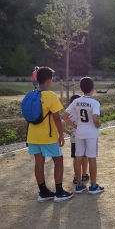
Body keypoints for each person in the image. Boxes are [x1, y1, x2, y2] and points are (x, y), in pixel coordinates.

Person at [26, 67, 73, 202]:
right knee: (58, 161)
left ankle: (43, 192)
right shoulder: (50, 95)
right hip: (48, 136)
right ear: (48, 81)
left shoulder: (30, 95)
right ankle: (59, 192)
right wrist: (61, 134)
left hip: (32, 135)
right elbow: (57, 118)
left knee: (39, 162)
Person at [62, 77, 104, 194]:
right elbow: (95, 118)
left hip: (79, 132)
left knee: (78, 156)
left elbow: (64, 116)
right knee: (91, 157)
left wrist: (75, 126)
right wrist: (98, 124)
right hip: (91, 133)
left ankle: (79, 184)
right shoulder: (95, 103)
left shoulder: (75, 101)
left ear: (81, 89)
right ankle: (93, 185)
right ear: (93, 89)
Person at [62, 95, 89, 184]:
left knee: (76, 158)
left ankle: (76, 176)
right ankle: (84, 175)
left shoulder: (69, 113)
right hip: (84, 137)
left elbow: (62, 125)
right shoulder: (82, 111)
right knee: (85, 156)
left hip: (74, 139)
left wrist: (68, 132)